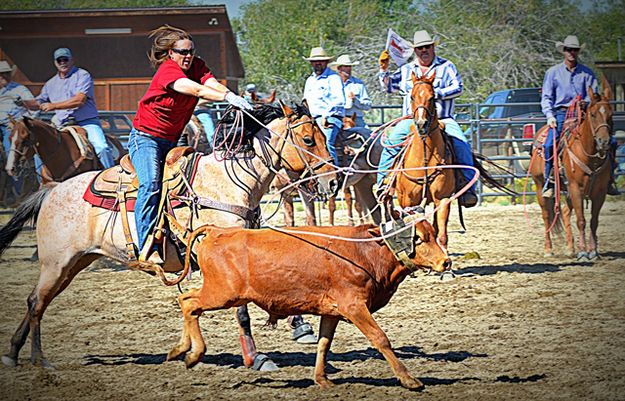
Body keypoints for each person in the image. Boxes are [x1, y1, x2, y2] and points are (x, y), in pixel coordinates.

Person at [130, 25, 252, 263]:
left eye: (191, 51)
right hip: (146, 138)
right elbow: (195, 89)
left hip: (171, 140)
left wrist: (230, 95)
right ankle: (144, 245)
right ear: (170, 53)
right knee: (151, 184)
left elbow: (212, 83)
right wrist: (228, 97)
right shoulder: (167, 71)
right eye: (182, 51)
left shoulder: (196, 65)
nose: (188, 56)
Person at [377, 30, 477, 207]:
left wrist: (433, 94)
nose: (424, 50)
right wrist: (383, 71)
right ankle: (383, 182)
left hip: (443, 118)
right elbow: (390, 87)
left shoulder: (446, 66)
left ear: (433, 47)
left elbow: (458, 87)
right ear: (415, 50)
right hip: (412, 119)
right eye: (420, 48)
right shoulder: (407, 69)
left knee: (461, 144)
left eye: (427, 47)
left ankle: (467, 188)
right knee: (391, 142)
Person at [541, 35, 619, 197]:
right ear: (564, 51)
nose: (571, 53)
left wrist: (585, 102)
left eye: (574, 50)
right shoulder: (553, 73)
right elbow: (546, 97)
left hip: (585, 114)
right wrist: (550, 116)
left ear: (578, 52)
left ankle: (610, 179)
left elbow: (595, 97)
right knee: (550, 144)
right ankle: (550, 181)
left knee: (610, 141)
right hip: (561, 113)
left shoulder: (587, 73)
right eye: (569, 49)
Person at [36, 47, 115, 169]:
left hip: (87, 123)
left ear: (71, 60)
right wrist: (23, 102)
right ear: (55, 63)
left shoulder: (82, 75)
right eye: (59, 60)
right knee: (39, 152)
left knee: (102, 147)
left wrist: (53, 106)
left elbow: (79, 100)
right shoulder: (50, 83)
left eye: (65, 59)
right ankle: (43, 183)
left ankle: (110, 178)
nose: (63, 63)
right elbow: (38, 101)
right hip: (62, 125)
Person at [302, 47, 345, 167]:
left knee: (326, 141)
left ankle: (334, 173)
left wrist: (326, 115)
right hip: (313, 118)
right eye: (315, 61)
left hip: (331, 117)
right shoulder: (310, 80)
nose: (317, 63)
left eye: (321, 61)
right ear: (311, 63)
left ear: (326, 62)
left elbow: (339, 100)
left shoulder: (333, 78)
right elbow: (305, 101)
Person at [0, 61, 39, 154]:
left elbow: (35, 109)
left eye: (6, 73)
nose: (3, 76)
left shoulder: (20, 89)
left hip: (11, 126)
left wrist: (20, 122)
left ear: (10, 74)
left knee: (10, 146)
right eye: (1, 73)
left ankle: (11, 167)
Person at [329, 54, 371, 128]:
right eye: (345, 66)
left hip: (356, 119)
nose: (348, 69)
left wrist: (355, 100)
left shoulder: (358, 84)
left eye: (349, 66)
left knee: (370, 136)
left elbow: (368, 105)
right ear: (339, 69)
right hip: (336, 118)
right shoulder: (331, 84)